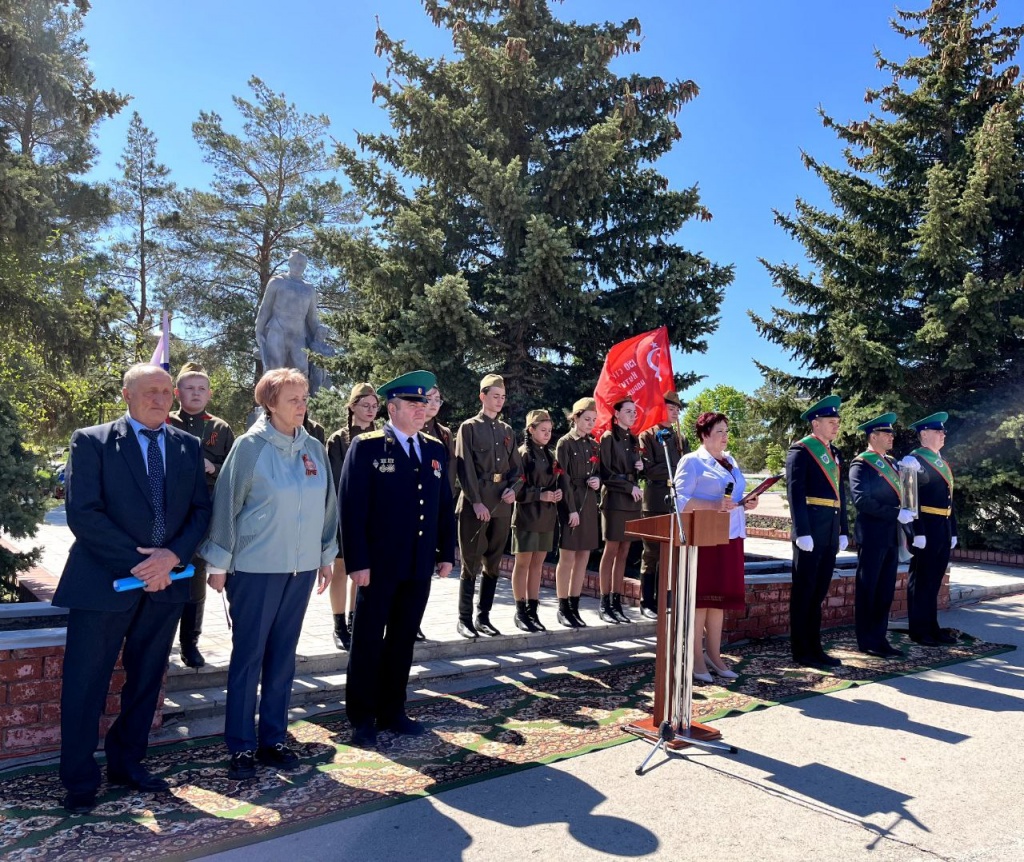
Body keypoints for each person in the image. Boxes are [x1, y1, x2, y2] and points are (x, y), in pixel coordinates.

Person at [54, 364, 212, 815]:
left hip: (165, 585)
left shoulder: (187, 445)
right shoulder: (92, 441)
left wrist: (172, 557)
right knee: (86, 684)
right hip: (103, 583)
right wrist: (144, 564)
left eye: (167, 391)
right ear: (127, 394)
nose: (161, 399)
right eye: (150, 391)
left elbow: (201, 511)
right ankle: (80, 779)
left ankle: (128, 764)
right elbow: (83, 513)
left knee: (145, 682)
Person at [200, 368, 337, 781]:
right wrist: (219, 564)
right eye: (294, 398)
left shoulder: (313, 447)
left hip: (300, 571)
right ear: (270, 403)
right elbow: (225, 505)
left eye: (305, 398)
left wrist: (326, 555)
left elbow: (327, 506)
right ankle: (241, 746)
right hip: (255, 570)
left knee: (282, 660)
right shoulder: (248, 448)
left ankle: (273, 739)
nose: (303, 405)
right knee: (249, 659)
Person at [340, 370, 456, 748]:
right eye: (413, 403)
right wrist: (357, 561)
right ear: (392, 407)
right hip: (378, 565)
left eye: (425, 403)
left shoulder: (435, 449)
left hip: (417, 564)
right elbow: (352, 509)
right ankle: (361, 716)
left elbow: (443, 505)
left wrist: (446, 552)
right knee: (369, 639)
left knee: (403, 638)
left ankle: (393, 709)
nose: (422, 409)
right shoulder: (369, 446)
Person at [673, 411, 757, 682]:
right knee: (702, 600)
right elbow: (680, 500)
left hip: (731, 534)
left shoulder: (730, 460)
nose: (725, 436)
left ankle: (715, 654)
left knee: (719, 601)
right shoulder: (692, 461)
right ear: (704, 434)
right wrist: (712, 505)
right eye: (719, 431)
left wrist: (747, 501)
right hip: (704, 536)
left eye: (726, 430)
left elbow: (735, 495)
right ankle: (695, 658)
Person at [168, 362, 235, 669]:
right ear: (177, 392)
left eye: (201, 389)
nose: (195, 394)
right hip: (167, 512)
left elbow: (235, 473)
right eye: (189, 388)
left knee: (194, 579)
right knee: (165, 578)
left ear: (209, 393)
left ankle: (189, 643)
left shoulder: (219, 428)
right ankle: (160, 642)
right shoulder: (164, 421)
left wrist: (214, 468)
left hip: (202, 514)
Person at [454, 374, 523, 639]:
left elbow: (517, 469)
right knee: (470, 562)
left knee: (493, 563)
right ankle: (464, 619)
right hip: (477, 502)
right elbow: (465, 467)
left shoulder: (506, 431)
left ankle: (483, 617)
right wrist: (476, 501)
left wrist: (513, 490)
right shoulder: (469, 428)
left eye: (503, 397)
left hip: (502, 504)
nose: (500, 401)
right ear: (482, 396)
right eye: (495, 396)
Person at [785, 395, 850, 668]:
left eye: (837, 421)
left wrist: (843, 529)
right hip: (810, 532)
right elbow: (795, 492)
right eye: (831, 422)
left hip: (829, 532)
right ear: (816, 423)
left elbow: (840, 495)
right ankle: (801, 650)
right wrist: (802, 530)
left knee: (819, 591)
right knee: (805, 592)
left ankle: (815, 647)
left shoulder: (834, 453)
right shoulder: (801, 450)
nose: (836, 426)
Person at [849, 412, 913, 659]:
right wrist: (895, 513)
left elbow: (908, 494)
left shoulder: (893, 463)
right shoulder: (861, 464)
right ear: (873, 436)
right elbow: (862, 500)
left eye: (892, 433)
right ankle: (867, 641)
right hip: (873, 534)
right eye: (887, 433)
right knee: (869, 589)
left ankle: (880, 637)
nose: (891, 437)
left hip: (891, 536)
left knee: (885, 590)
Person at [326, 383, 379, 650]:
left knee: (363, 571)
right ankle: (338, 625)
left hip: (374, 515)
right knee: (342, 569)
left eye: (374, 406)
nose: (370, 411)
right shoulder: (338, 439)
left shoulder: (383, 436)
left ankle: (355, 620)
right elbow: (336, 480)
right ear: (352, 406)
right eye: (364, 405)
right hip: (344, 513)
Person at [901, 412, 959, 646]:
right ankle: (919, 630)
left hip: (942, 528)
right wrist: (917, 531)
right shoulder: (913, 461)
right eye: (938, 431)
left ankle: (932, 627)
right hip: (926, 528)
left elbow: (949, 500)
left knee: (934, 581)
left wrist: (953, 529)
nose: (943, 435)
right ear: (924, 434)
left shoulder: (940, 462)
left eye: (943, 431)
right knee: (922, 580)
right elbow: (909, 501)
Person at [511, 410, 569, 632]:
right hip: (527, 515)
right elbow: (516, 489)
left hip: (546, 516)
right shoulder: (523, 454)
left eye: (550, 431)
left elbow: (554, 481)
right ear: (531, 430)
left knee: (538, 565)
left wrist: (556, 494)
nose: (547, 434)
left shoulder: (549, 455)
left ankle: (532, 611)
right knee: (523, 564)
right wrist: (539, 494)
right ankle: (520, 611)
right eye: (543, 430)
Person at [638, 392, 688, 618]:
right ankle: (647, 601)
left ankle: (666, 598)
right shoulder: (647, 435)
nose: (676, 412)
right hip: (656, 497)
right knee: (652, 553)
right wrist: (674, 470)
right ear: (660, 409)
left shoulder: (680, 438)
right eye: (671, 408)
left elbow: (688, 466)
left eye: (678, 409)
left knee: (673, 553)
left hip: (676, 501)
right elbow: (648, 468)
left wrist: (677, 472)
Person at [553, 398, 602, 628]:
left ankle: (574, 604)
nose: (590, 423)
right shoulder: (565, 443)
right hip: (571, 504)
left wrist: (597, 481)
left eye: (593, 420)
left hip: (589, 503)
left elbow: (600, 472)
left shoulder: (593, 445)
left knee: (583, 556)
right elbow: (562, 479)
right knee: (568, 557)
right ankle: (562, 606)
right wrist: (570, 510)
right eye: (586, 419)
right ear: (575, 418)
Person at [597, 398, 644, 624]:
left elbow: (633, 468)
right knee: (612, 549)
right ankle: (605, 601)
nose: (633, 415)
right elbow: (606, 472)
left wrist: (640, 467)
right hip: (616, 498)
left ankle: (617, 600)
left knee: (625, 550)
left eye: (634, 412)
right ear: (616, 415)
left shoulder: (633, 438)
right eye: (628, 411)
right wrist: (629, 486)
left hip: (632, 499)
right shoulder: (608, 438)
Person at [254, 249, 320, 383]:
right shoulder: (277, 282)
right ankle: (272, 403)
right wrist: (259, 330)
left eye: (302, 264)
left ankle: (301, 402)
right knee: (275, 370)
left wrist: (319, 334)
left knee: (301, 371)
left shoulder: (309, 289)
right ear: (289, 263)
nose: (298, 266)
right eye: (295, 263)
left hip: (298, 334)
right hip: (277, 329)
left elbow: (312, 317)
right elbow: (265, 308)